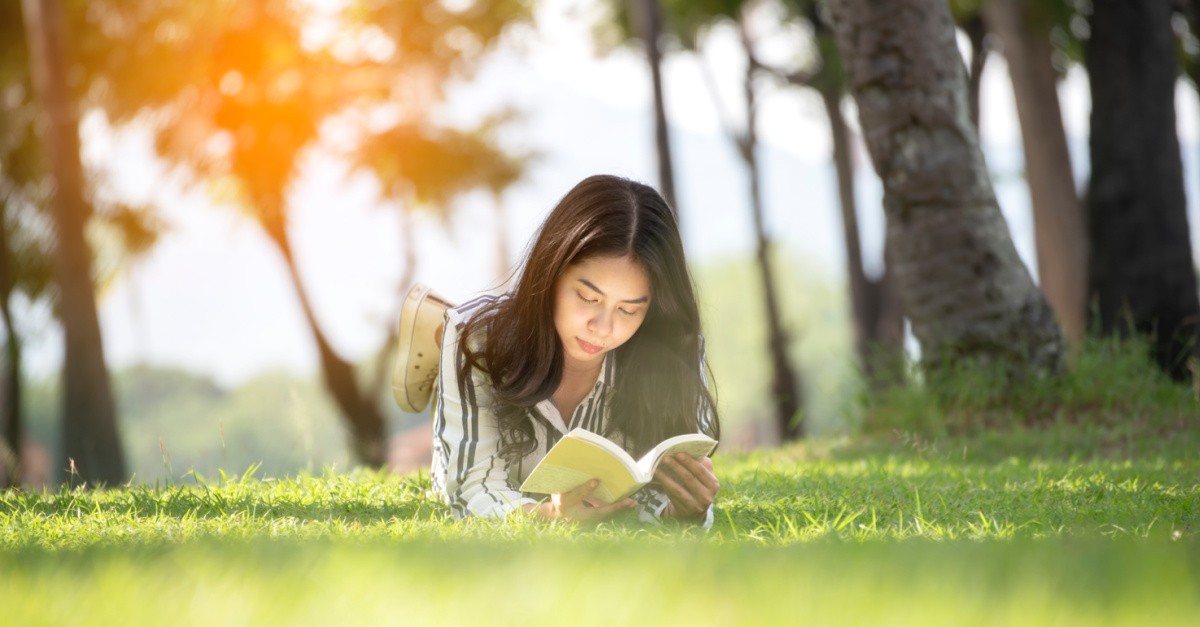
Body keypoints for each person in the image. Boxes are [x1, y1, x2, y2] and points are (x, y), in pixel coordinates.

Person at [430, 174, 720, 524]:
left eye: (629, 309)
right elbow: (472, 489)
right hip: (486, 341)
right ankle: (430, 337)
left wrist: (684, 512)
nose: (602, 327)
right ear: (551, 273)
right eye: (587, 297)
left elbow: (660, 498)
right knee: (460, 334)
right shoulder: (478, 341)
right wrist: (549, 517)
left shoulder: (673, 349)